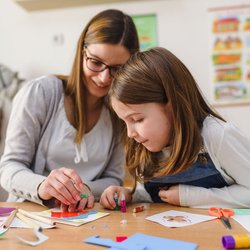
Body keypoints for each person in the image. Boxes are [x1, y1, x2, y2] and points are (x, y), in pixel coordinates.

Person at [0, 9, 139, 211]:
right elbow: (9, 168)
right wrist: (43, 186)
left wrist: (85, 189)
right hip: (32, 216)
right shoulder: (41, 93)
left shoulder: (119, 111)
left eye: (117, 69)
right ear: (81, 52)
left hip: (87, 216)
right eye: (96, 62)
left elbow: (113, 178)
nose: (103, 78)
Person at [100, 47, 250, 209]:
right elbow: (154, 198)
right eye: (124, 122)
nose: (130, 133)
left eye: (137, 119)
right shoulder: (145, 146)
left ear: (172, 107)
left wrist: (188, 196)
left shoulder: (217, 135)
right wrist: (129, 194)